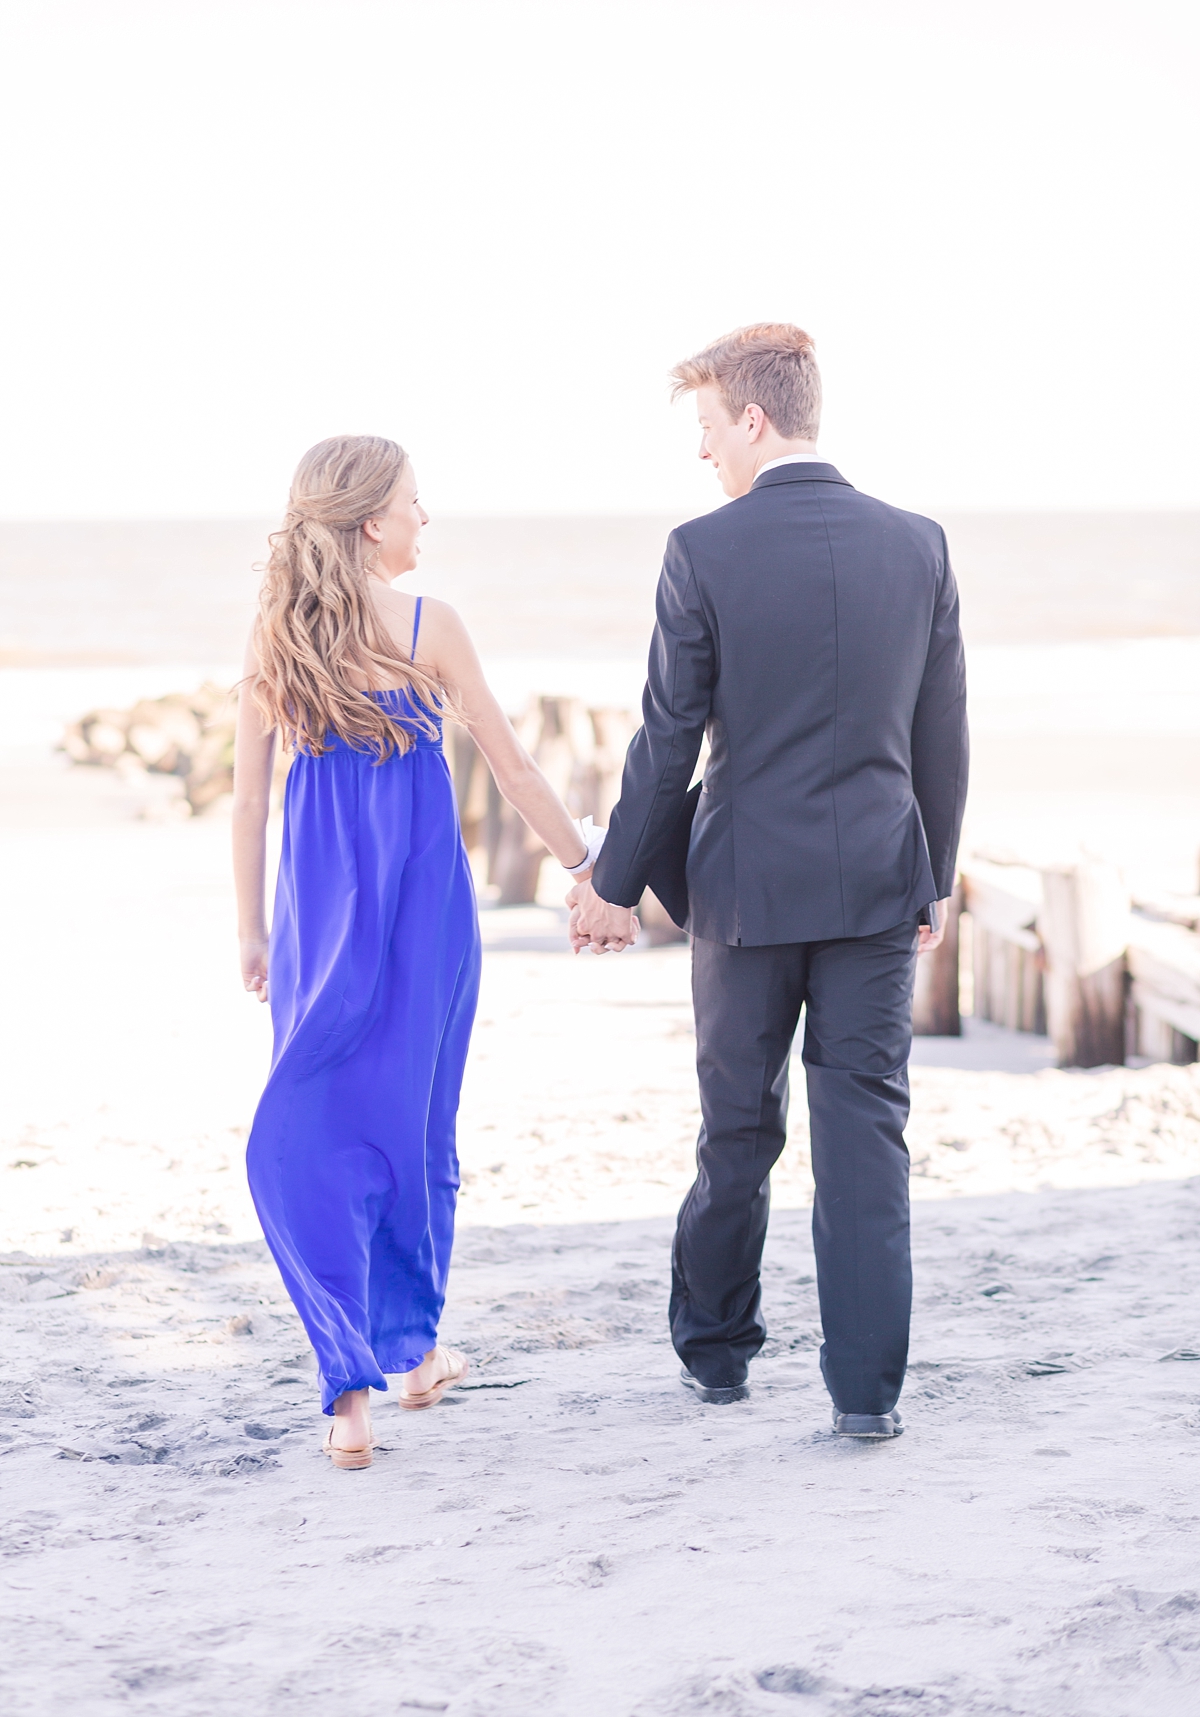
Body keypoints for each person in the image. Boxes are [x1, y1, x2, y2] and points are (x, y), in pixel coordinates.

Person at [569, 324, 968, 1438]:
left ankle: (715, 1353)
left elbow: (666, 742)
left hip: (744, 897)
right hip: (884, 888)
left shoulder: (703, 552)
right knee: (866, 1134)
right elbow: (943, 732)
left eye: (706, 426)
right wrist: (935, 870)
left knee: (738, 1132)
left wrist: (614, 883)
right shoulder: (919, 544)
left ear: (753, 417)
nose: (702, 452)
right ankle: (866, 1400)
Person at [232, 435, 602, 1468]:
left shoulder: (276, 641)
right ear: (368, 523)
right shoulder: (433, 629)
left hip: (316, 921)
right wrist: (587, 865)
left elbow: (250, 806)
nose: (424, 520)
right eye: (412, 503)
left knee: (318, 1117)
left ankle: (352, 1391)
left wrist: (253, 932)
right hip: (426, 917)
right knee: (414, 1123)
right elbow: (516, 766)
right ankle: (416, 1353)